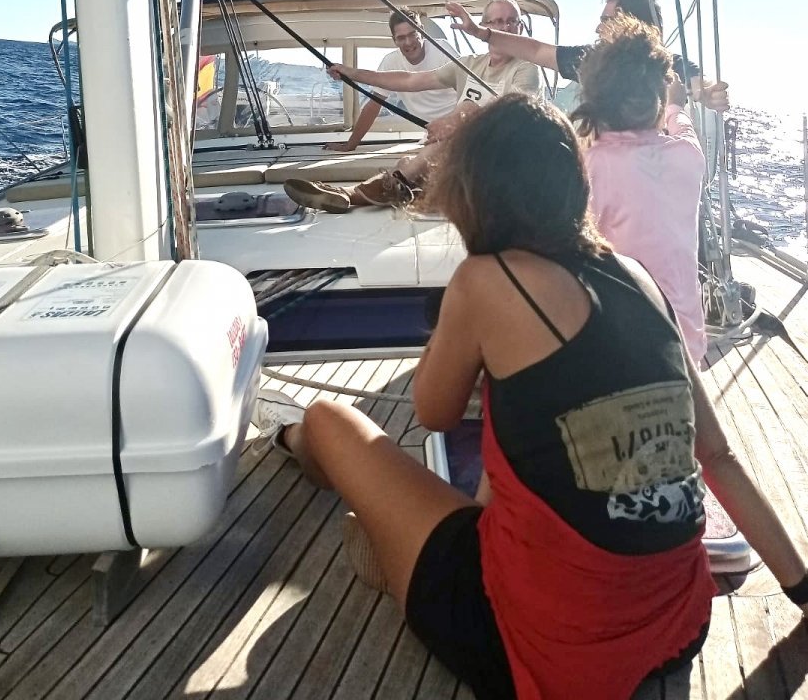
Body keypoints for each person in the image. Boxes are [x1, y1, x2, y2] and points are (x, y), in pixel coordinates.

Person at [254, 95, 808, 700]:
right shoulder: (636, 275)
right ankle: (395, 548)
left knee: (330, 419)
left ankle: (292, 440)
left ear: (472, 191)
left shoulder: (487, 279)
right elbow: (718, 456)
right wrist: (801, 587)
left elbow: (432, 413)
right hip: (678, 627)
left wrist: (466, 335)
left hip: (542, 645)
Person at [284, 0, 541, 211]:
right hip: (465, 159)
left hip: (501, 161)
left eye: (511, 21)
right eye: (496, 21)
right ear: (484, 25)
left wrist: (456, 120)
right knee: (407, 163)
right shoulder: (471, 64)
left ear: (520, 27)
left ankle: (354, 194)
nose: (504, 27)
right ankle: (405, 189)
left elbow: (510, 114)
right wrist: (353, 73)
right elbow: (409, 80)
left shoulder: (526, 69)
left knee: (459, 124)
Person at [573, 14, 708, 363]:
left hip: (626, 351)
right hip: (687, 345)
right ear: (657, 98)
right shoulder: (688, 155)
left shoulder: (593, 165)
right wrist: (676, 103)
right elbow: (681, 124)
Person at [447, 0, 730, 111]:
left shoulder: (665, 64)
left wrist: (707, 91)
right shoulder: (593, 59)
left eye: (606, 21)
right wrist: (480, 32)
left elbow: (696, 81)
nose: (597, 29)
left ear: (631, 25)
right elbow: (535, 50)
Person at [323, 8, 456, 153]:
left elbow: (469, 92)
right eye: (401, 37)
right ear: (394, 40)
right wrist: (350, 145)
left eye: (413, 34)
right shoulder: (390, 62)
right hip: (433, 134)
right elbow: (373, 105)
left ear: (422, 31)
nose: (408, 42)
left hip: (460, 125)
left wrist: (455, 126)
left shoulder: (443, 50)